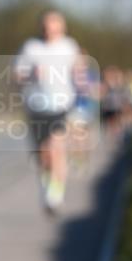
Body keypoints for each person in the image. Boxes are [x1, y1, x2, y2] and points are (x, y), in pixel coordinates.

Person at [13, 11, 81, 213]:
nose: (50, 29)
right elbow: (16, 76)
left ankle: (56, 194)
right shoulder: (31, 47)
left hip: (61, 105)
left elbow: (78, 72)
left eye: (54, 25)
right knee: (43, 155)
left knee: (56, 148)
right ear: (41, 26)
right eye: (46, 25)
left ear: (62, 27)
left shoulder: (69, 46)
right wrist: (30, 74)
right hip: (36, 105)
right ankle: (46, 186)